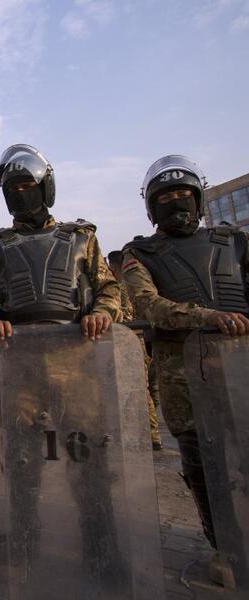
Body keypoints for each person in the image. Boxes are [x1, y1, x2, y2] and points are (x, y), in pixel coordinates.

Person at [0, 144, 125, 587]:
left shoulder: (81, 238)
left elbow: (111, 290)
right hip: (18, 365)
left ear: (45, 187)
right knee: (21, 461)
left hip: (75, 362)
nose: (20, 195)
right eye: (12, 189)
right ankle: (25, 540)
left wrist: (103, 313)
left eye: (27, 186)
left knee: (87, 459)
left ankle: (101, 548)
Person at [122, 155, 249, 586]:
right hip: (183, 374)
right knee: (203, 466)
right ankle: (225, 551)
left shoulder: (233, 242)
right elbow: (150, 306)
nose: (176, 203)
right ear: (152, 207)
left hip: (242, 365)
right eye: (166, 198)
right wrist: (207, 318)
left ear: (197, 199)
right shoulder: (139, 254)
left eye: (183, 195)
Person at [107, 249, 162, 450]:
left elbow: (126, 315)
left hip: (131, 341)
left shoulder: (121, 287)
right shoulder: (135, 283)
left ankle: (151, 435)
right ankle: (151, 431)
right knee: (147, 387)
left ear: (113, 267)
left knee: (139, 387)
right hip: (143, 341)